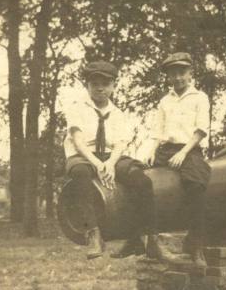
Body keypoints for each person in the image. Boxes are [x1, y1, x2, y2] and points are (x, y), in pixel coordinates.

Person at [63, 60, 167, 261]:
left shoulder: (118, 114)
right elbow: (78, 141)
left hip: (109, 156)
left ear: (113, 86)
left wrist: (110, 163)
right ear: (88, 86)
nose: (100, 88)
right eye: (95, 84)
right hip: (83, 155)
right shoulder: (77, 108)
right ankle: (93, 233)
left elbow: (120, 144)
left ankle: (146, 238)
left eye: (105, 83)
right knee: (80, 174)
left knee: (141, 180)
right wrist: (97, 163)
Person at [144, 52, 211, 267]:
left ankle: (196, 244)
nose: (178, 77)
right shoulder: (165, 101)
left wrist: (183, 153)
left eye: (182, 72)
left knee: (196, 184)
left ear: (190, 73)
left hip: (189, 148)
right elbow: (159, 130)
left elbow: (201, 130)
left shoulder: (200, 97)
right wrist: (153, 151)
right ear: (169, 77)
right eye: (173, 74)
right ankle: (147, 240)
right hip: (165, 149)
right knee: (143, 182)